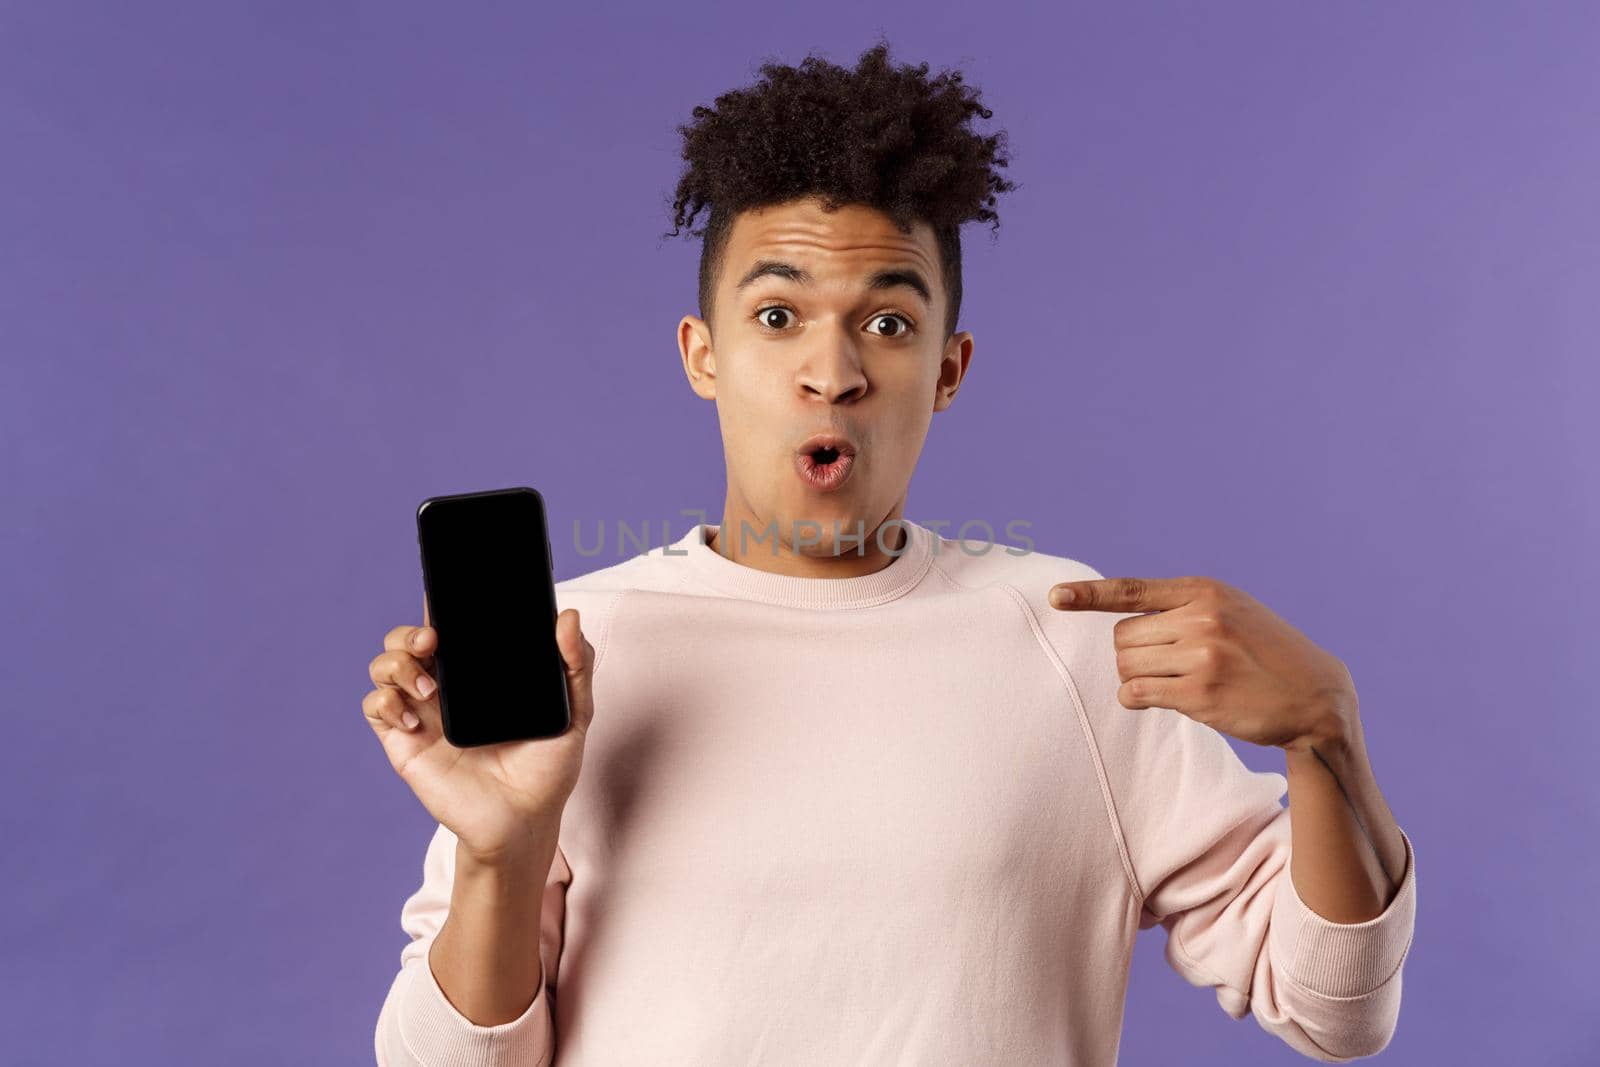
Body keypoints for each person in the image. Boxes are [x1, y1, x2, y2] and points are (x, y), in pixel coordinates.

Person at [365, 40, 1416, 1066]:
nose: (832, 370)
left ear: (949, 369)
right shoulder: (575, 652)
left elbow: (1334, 1011)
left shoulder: (1073, 638)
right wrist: (502, 855)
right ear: (705, 355)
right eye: (777, 315)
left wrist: (1327, 736)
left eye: (889, 324)